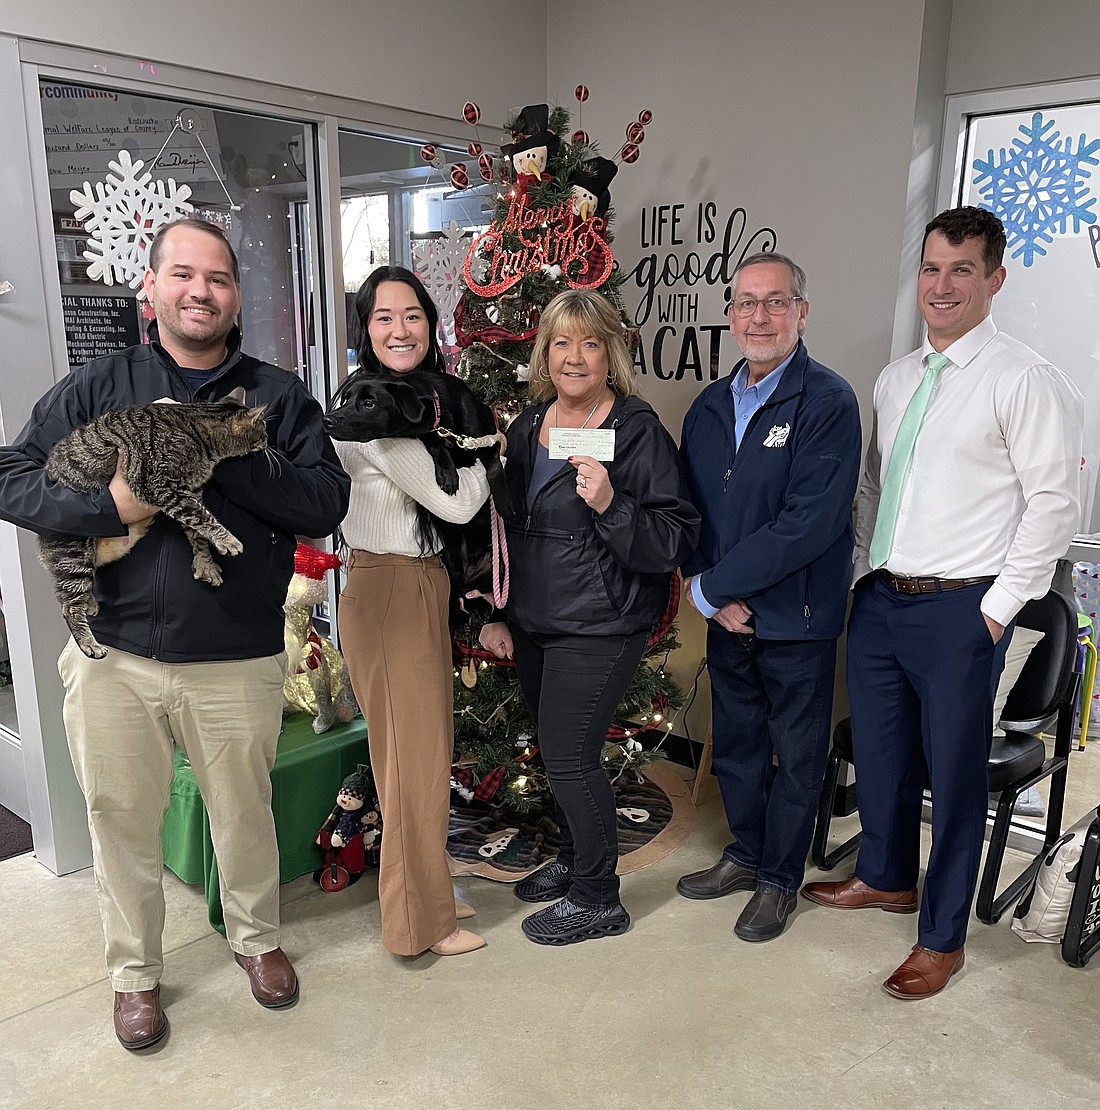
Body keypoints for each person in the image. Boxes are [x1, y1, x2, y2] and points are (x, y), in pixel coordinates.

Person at [0, 217, 350, 1048]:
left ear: (236, 298)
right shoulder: (95, 387)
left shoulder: (277, 396)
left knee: (244, 813)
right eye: (183, 275)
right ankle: (136, 977)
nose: (202, 291)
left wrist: (227, 451)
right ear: (149, 290)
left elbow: (325, 502)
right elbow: (11, 475)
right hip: (115, 655)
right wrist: (105, 509)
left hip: (235, 655)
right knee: (118, 821)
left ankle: (258, 941)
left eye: (219, 279)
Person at [802, 206, 1084, 998]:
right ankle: (887, 876)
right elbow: (874, 490)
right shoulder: (897, 379)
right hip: (884, 601)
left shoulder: (1025, 379)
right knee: (885, 756)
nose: (943, 285)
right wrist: (863, 575)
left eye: (963, 269)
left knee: (953, 776)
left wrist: (997, 610)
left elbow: (1055, 506)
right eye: (932, 268)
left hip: (962, 609)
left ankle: (941, 935)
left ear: (995, 277)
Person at [479, 288, 699, 946]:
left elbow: (675, 539)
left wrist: (611, 504)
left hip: (602, 622)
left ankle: (600, 897)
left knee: (572, 758)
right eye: (561, 342)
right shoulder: (532, 422)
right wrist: (494, 610)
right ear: (546, 352)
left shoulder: (635, 430)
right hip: (538, 618)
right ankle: (577, 861)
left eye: (590, 342)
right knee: (556, 752)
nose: (575, 356)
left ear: (611, 352)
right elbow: (509, 526)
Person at [676, 253, 862, 942]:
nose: (760, 316)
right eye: (747, 303)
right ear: (731, 316)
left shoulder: (828, 402)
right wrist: (707, 590)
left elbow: (807, 524)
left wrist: (716, 586)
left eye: (776, 302)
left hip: (798, 620)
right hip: (728, 617)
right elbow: (687, 509)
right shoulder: (707, 406)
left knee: (796, 754)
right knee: (740, 748)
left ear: (801, 313)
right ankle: (746, 853)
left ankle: (780, 879)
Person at [334, 266, 489, 958]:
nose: (400, 330)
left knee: (415, 759)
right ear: (364, 330)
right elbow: (457, 502)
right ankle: (420, 927)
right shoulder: (375, 414)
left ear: (431, 323)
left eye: (413, 315)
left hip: (406, 584)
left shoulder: (405, 402)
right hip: (393, 587)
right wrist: (495, 451)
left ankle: (428, 896)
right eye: (383, 317)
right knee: (411, 765)